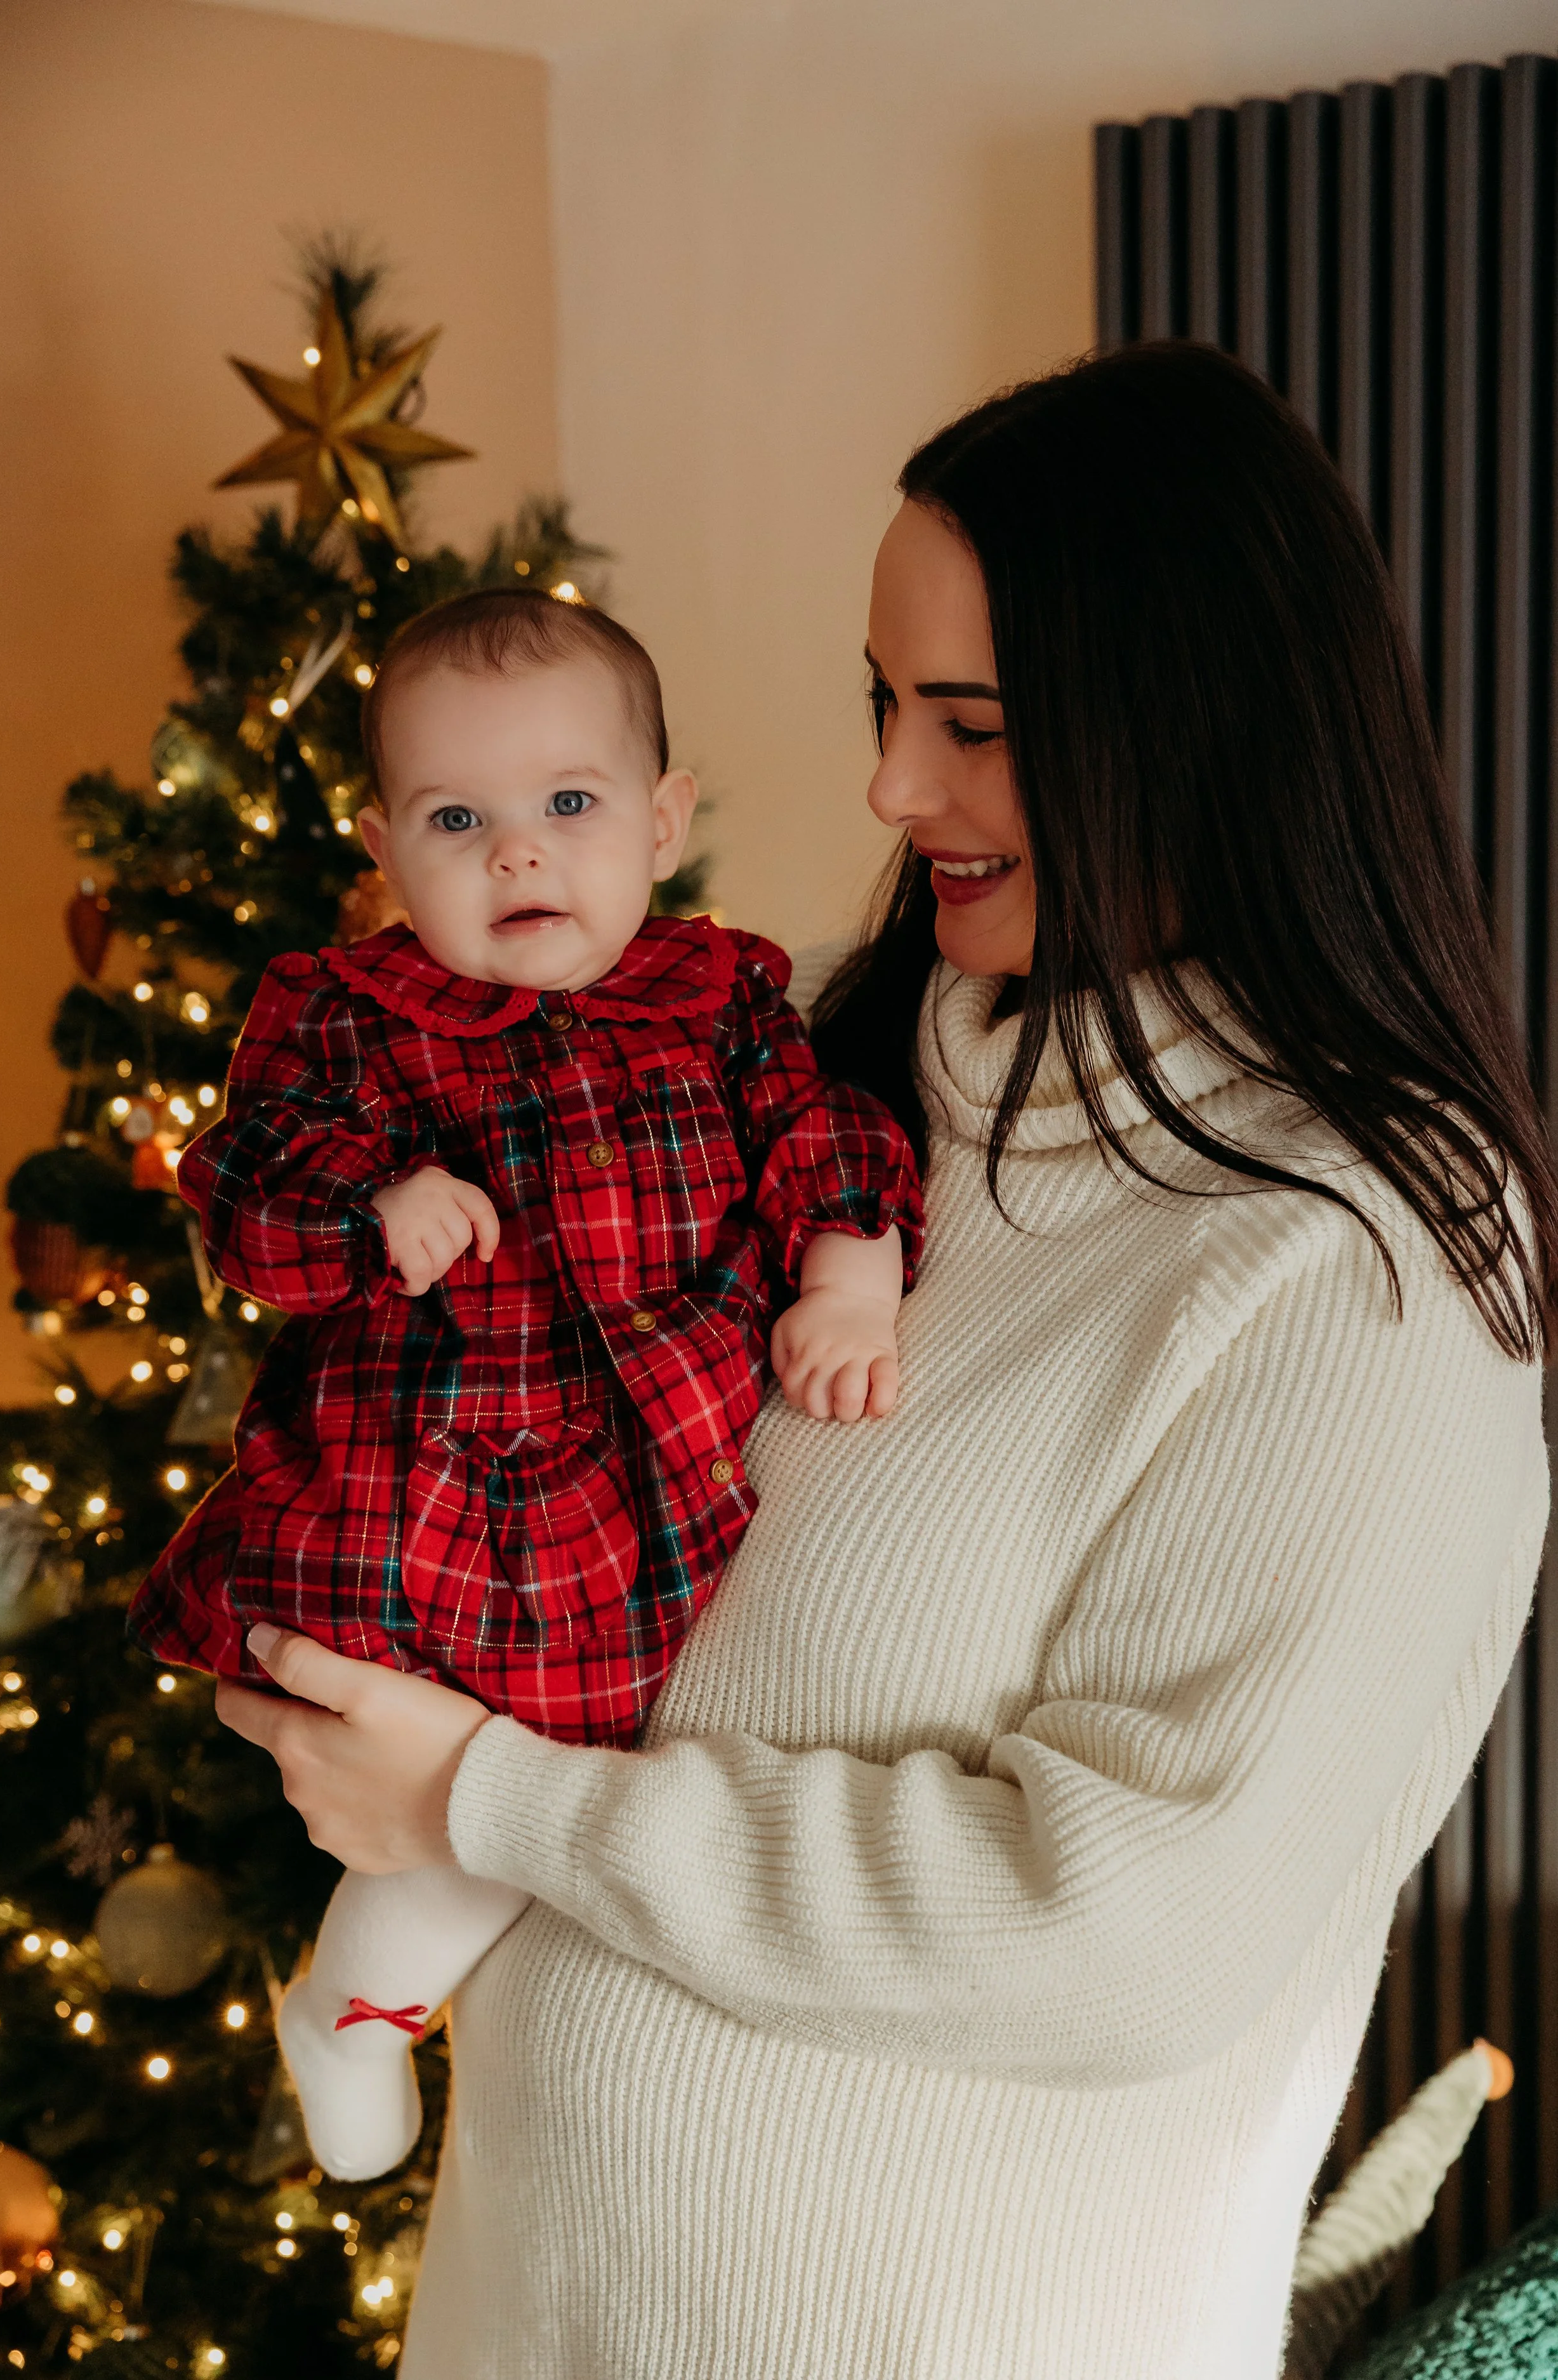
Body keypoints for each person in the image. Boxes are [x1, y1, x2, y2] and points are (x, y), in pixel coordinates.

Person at [215, 344, 1555, 2380]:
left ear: (1183, 727)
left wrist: (500, 1799)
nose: (888, 789)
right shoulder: (802, 1070)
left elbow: (1119, 1919)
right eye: (880, 700)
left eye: (976, 725)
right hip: (534, 2313)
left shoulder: (1358, 1264)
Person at [129, 587, 921, 2181]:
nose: (518, 853)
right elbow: (248, 1185)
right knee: (461, 1754)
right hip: (434, 1488)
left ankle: (391, 2004)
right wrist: (372, 1206)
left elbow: (817, 1140)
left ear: (660, 818)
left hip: (654, 1479)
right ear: (380, 843)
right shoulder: (347, 1018)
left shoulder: (722, 1003)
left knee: (575, 1780)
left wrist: (847, 1267)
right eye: (456, 817)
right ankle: (358, 2002)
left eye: (568, 805)